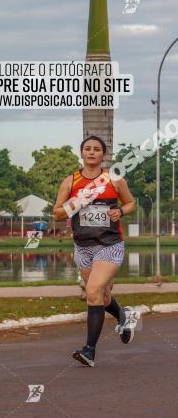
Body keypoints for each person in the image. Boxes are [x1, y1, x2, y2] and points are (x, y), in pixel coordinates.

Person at [53, 135, 137, 367]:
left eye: (96, 149)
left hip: (110, 245)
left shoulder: (114, 179)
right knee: (99, 295)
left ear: (103, 154)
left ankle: (89, 351)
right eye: (87, 149)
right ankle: (123, 315)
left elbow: (131, 203)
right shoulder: (70, 181)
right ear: (81, 153)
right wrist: (78, 202)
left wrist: (121, 211)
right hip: (83, 247)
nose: (91, 152)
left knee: (92, 290)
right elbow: (58, 213)